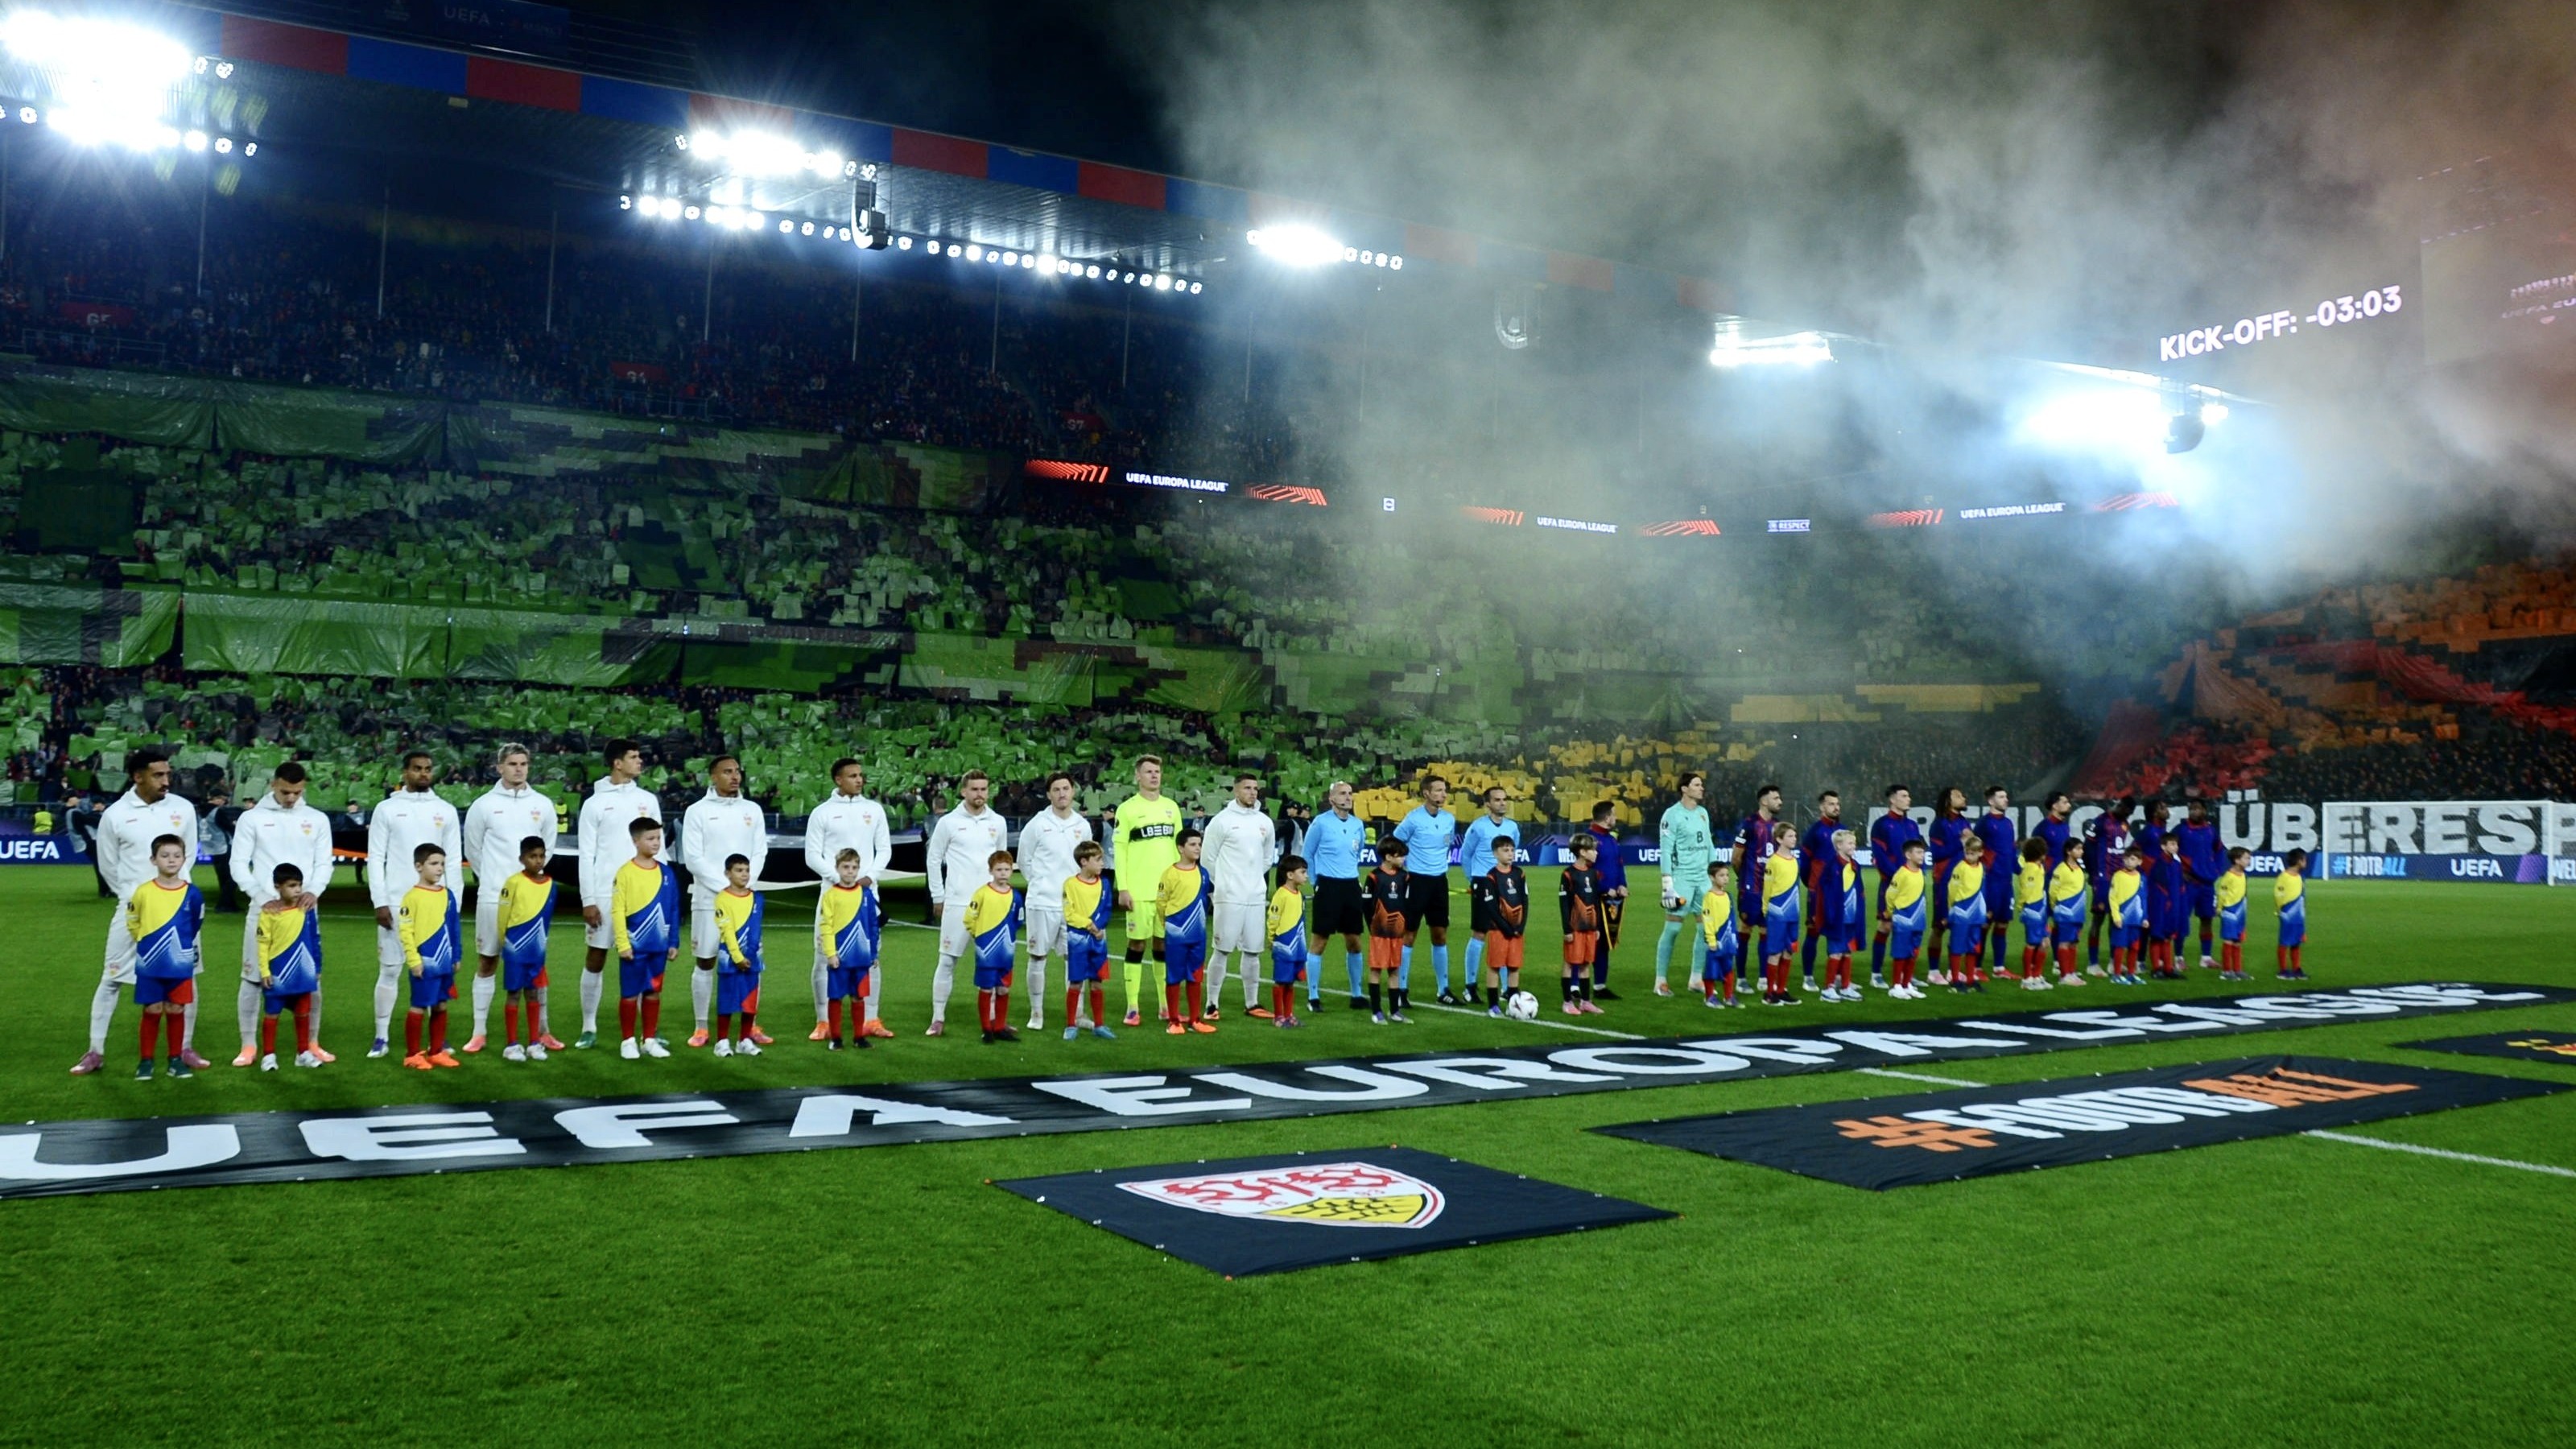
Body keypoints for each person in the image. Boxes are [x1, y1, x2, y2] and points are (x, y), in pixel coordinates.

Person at [72, 749, 199, 1076]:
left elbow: (190, 855)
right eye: (158, 775)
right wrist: (136, 897)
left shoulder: (183, 809)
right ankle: (95, 1051)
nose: (166, 781)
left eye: (168, 774)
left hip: (177, 911)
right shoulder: (115, 814)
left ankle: (183, 1048)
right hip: (133, 910)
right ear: (137, 776)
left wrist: (172, 895)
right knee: (112, 977)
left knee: (186, 978)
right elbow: (108, 866)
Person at [229, 763, 336, 1067]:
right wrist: (262, 897)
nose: (291, 797)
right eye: (285, 791)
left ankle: (311, 1043)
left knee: (312, 979)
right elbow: (238, 864)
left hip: (303, 911)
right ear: (273, 784)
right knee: (252, 978)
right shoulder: (253, 819)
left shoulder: (316, 819)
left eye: (298, 792)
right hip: (265, 911)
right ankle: (249, 1046)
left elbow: (324, 863)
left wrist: (313, 890)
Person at [463, 743, 558, 1054]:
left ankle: (541, 1032)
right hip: (493, 896)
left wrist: (529, 884)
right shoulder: (484, 805)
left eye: (524, 763)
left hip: (532, 900)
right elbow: (473, 850)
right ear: (499, 767)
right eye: (513, 764)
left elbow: (548, 848)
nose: (519, 769)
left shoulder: (542, 805)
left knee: (535, 965)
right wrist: (494, 879)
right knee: (488, 960)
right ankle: (479, 1031)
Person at [369, 750, 462, 1061]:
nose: (423, 773)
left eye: (428, 769)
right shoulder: (387, 809)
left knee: (437, 973)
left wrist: (455, 905)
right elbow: (376, 858)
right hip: (396, 902)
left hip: (437, 907)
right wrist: (380, 901)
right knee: (391, 969)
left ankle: (438, 1040)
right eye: (417, 769)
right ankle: (381, 1036)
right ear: (405, 772)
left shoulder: (445, 810)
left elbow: (454, 862)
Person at [576, 739, 661, 1051]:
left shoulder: (648, 800)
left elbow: (657, 848)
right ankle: (588, 1026)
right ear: (616, 763)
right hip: (604, 892)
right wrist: (588, 899)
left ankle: (647, 1032)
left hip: (643, 895)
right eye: (634, 757)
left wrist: (659, 893)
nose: (640, 762)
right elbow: (585, 855)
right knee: (596, 957)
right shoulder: (595, 803)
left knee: (644, 960)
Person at [681, 754, 767, 1050]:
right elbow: (693, 858)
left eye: (737, 771)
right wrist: (726, 889)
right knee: (705, 960)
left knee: (750, 961)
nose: (735, 776)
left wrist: (742, 885)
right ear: (713, 777)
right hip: (709, 898)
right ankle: (702, 1026)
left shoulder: (752, 810)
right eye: (727, 772)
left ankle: (749, 1026)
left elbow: (760, 852)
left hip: (746, 901)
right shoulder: (698, 811)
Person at [803, 758, 891, 1040]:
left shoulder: (873, 810)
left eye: (861, 775)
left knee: (870, 959)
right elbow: (812, 855)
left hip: (866, 895)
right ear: (838, 780)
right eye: (853, 776)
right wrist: (839, 878)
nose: (859, 780)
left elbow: (885, 850)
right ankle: (823, 1021)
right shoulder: (822, 813)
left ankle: (871, 1019)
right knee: (823, 957)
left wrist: (869, 877)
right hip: (833, 896)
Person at [927, 769, 1011, 1037]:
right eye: (974, 789)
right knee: (948, 960)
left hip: (992, 904)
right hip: (958, 902)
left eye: (984, 789)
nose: (980, 794)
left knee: (995, 963)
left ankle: (996, 1020)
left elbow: (1002, 860)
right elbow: (933, 859)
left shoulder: (997, 822)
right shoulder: (949, 823)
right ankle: (938, 1018)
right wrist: (938, 896)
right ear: (963, 791)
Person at [1017, 771, 1093, 1034]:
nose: (1062, 794)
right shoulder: (1037, 824)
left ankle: (1078, 1013)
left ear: (1073, 792)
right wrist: (1040, 884)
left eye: (1066, 789)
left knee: (1075, 959)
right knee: (1038, 957)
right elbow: (1024, 861)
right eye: (1056, 790)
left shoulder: (1082, 826)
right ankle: (1036, 1013)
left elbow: (1086, 863)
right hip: (1042, 902)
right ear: (1049, 794)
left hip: (1073, 905)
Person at [1110, 755, 1183, 1027]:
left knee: (1163, 945)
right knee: (1137, 944)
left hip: (1167, 893)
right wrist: (1124, 887)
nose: (1154, 776)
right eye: (1149, 772)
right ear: (1137, 777)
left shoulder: (1171, 807)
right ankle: (1132, 1006)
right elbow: (1120, 850)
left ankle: (1165, 1007)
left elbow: (1179, 848)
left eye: (1158, 771)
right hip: (1139, 890)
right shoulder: (1127, 809)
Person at [127, 833, 205, 1080]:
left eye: (176, 856)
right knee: (152, 1010)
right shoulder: (143, 892)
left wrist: (178, 948)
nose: (171, 860)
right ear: (153, 860)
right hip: (150, 964)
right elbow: (132, 920)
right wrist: (148, 942)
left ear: (184, 859)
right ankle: (146, 1061)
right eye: (165, 856)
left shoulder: (193, 893)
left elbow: (196, 922)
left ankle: (175, 1059)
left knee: (176, 1009)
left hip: (180, 963)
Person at [1203, 773, 1279, 1021]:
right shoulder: (1221, 821)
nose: (1253, 792)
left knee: (1253, 951)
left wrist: (1253, 879)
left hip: (1256, 896)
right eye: (1247, 788)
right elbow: (1207, 858)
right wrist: (1225, 883)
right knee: (1222, 949)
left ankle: (1252, 1002)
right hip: (1229, 896)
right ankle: (1212, 1004)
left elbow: (1268, 858)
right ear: (1236, 791)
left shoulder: (1265, 822)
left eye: (1256, 788)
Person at [610, 815, 680, 1059]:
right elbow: (618, 910)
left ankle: (649, 1039)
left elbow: (673, 909)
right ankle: (627, 1041)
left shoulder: (667, 873)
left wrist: (673, 942)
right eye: (650, 839)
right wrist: (622, 943)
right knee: (630, 993)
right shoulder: (625, 873)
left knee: (653, 992)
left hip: (658, 947)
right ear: (635, 841)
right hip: (634, 946)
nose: (656, 843)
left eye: (659, 838)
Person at [1390, 774, 1459, 1003]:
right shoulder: (1413, 819)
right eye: (1438, 790)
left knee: (1440, 934)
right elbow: (1396, 843)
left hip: (1439, 881)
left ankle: (1443, 989)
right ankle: (1400, 989)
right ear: (1426, 793)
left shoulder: (1449, 819)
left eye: (1444, 790)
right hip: (1416, 881)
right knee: (1409, 934)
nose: (1443, 794)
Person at [1301, 782, 1368, 1011]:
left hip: (1351, 886)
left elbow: (1357, 853)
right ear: (1331, 799)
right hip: (1328, 886)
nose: (1348, 797)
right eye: (1342, 793)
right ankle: (1313, 996)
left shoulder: (1358, 824)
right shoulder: (1320, 823)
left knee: (1355, 941)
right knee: (1320, 942)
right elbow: (1307, 854)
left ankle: (1357, 994)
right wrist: (1315, 883)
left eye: (1350, 793)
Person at [397, 843, 463, 1071]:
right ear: (418, 866)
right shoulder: (411, 897)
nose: (439, 869)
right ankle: (412, 1054)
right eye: (434, 864)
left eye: (442, 864)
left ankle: (436, 1052)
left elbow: (454, 928)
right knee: (419, 1006)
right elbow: (406, 931)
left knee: (441, 1005)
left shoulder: (448, 895)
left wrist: (457, 956)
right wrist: (413, 960)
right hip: (424, 963)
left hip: (444, 962)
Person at [252, 861, 322, 1071]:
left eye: (299, 885)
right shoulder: (270, 913)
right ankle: (269, 1056)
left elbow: (314, 938)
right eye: (292, 885)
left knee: (302, 1012)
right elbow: (263, 944)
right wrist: (264, 971)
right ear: (277, 887)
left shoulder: (306, 910)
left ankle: (303, 1053)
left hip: (304, 971)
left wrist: (317, 967)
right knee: (272, 1013)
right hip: (278, 972)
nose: (298, 890)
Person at [495, 835, 556, 1061]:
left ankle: (534, 1042)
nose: (538, 861)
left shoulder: (551, 885)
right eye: (532, 856)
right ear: (522, 858)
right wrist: (505, 943)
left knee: (533, 993)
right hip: (515, 948)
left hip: (537, 950)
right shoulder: (513, 883)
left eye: (541, 856)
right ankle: (511, 1044)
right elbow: (503, 916)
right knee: (514, 993)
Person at [1459, 786, 1522, 1002]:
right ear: (1487, 804)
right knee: (1480, 932)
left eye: (1505, 799)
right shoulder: (1478, 827)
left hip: (1505, 883)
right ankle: (1470, 986)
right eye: (1497, 800)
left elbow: (1513, 853)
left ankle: (1507, 989)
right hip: (1483, 881)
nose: (1502, 803)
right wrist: (1473, 880)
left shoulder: (1513, 827)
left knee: (1505, 932)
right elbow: (1465, 855)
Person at [1655, 772, 1715, 997]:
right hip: (1682, 878)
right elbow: (1666, 851)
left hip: (1703, 879)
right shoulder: (1672, 815)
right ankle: (1660, 980)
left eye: (1702, 785)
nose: (1702, 788)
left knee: (1705, 929)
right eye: (1697, 785)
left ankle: (1696, 978)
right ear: (1684, 789)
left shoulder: (1702, 813)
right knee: (1673, 928)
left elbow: (1709, 844)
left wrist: (1713, 874)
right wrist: (1667, 884)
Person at [817, 848, 880, 1051]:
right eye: (846, 867)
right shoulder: (831, 895)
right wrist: (831, 953)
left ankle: (859, 1037)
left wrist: (873, 953)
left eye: (854, 867)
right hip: (840, 957)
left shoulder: (866, 894)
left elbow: (872, 924)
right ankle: (835, 1038)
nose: (850, 871)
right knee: (836, 996)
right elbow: (825, 926)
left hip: (861, 958)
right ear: (837, 868)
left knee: (858, 996)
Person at [1158, 828, 1216, 1034]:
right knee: (1174, 976)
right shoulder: (1170, 874)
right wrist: (1170, 925)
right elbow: (1161, 904)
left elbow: (1206, 900)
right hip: (1176, 934)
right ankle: (1173, 1021)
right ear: (1181, 848)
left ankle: (1195, 1019)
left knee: (1196, 976)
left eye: (1199, 844)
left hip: (1198, 935)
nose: (1197, 848)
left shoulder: (1203, 873)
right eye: (1192, 844)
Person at [709, 852, 766, 1057]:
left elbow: (756, 929)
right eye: (739, 870)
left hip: (753, 959)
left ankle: (744, 1040)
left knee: (749, 1001)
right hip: (731, 959)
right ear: (728, 873)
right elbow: (727, 930)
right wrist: (738, 957)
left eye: (747, 870)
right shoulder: (722, 899)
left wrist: (750, 956)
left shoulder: (758, 899)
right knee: (727, 1000)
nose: (744, 875)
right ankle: (722, 1042)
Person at [1730, 783, 1785, 992]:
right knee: (1746, 929)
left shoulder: (1779, 826)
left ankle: (1764, 977)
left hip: (1770, 890)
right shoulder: (1750, 824)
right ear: (1764, 801)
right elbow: (1736, 857)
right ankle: (1742, 979)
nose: (1780, 802)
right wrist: (1743, 878)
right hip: (1751, 888)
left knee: (1767, 930)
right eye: (1776, 798)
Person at [1060, 840, 1116, 1040]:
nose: (1102, 863)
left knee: (1097, 983)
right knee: (1076, 982)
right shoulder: (1070, 884)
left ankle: (1099, 1025)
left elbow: (1107, 908)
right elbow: (1069, 913)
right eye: (1098, 859)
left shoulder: (1105, 884)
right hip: (1079, 939)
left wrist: (1099, 927)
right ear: (1084, 862)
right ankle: (1071, 1025)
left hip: (1098, 939)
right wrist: (1090, 926)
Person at [1468, 835, 1530, 1013]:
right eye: (1505, 850)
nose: (1510, 854)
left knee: (1514, 966)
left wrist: (1520, 926)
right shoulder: (1491, 877)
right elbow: (1491, 907)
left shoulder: (1519, 873)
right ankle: (1493, 1006)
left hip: (1517, 930)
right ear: (1495, 853)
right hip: (1498, 930)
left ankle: (1513, 1004)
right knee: (1495, 966)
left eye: (1512, 850)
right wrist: (1506, 928)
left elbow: (1525, 901)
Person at [1867, 784, 1919, 989]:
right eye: (1904, 796)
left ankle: (1907, 975)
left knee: (1910, 928)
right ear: (1892, 800)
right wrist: (1898, 877)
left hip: (1914, 887)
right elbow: (1880, 856)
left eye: (1909, 795)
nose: (1909, 799)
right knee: (1886, 926)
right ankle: (1876, 973)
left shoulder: (1913, 825)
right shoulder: (1882, 824)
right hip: (1892, 885)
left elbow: (1919, 852)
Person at [1798, 788, 1844, 993]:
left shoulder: (1843, 830)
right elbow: (1805, 862)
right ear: (1822, 807)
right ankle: (1808, 977)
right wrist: (1812, 885)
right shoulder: (1815, 831)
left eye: (1837, 804)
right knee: (1813, 932)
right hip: (1818, 892)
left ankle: (1838, 977)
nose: (1836, 807)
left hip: (1840, 891)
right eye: (1831, 804)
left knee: (1839, 932)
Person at [1363, 836, 1412, 1022]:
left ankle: (1395, 1011)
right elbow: (1366, 904)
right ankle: (1376, 1011)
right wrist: (1373, 926)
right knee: (1376, 969)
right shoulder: (1374, 876)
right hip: (1379, 932)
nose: (1403, 859)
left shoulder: (1404, 876)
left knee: (1394, 970)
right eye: (1400, 856)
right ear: (1389, 857)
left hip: (1397, 932)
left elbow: (1407, 902)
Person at [2083, 797, 2133, 974]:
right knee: (2098, 918)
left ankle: (2113, 962)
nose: (2124, 813)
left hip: (2118, 877)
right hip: (2103, 877)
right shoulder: (2101, 821)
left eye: (2127, 811)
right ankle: (2093, 963)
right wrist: (2093, 873)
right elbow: (2088, 847)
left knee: (2116, 919)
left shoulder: (2125, 824)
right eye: (2122, 808)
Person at [1559, 832, 1607, 1016]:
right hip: (1575, 928)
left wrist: (1596, 928)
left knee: (1586, 963)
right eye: (1592, 850)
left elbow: (1595, 901)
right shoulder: (1568, 874)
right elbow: (1565, 904)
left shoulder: (1594, 874)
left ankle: (1586, 1002)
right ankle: (1567, 1002)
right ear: (1582, 852)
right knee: (1570, 963)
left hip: (1589, 928)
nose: (1596, 853)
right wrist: (1567, 929)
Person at [1925, 786, 1969, 981]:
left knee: (1959, 925)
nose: (1963, 797)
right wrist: (1960, 842)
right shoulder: (1939, 825)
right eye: (1958, 796)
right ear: (1948, 801)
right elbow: (1936, 854)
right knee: (1940, 926)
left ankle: (1953, 970)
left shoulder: (1963, 822)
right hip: (1945, 880)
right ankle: (1933, 971)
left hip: (1965, 882)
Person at [1585, 800, 1629, 997]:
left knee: (1604, 943)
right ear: (1606, 817)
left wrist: (1622, 885)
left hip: (1611, 900)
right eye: (1614, 814)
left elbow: (1619, 865)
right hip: (1592, 900)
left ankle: (1600, 986)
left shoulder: (1611, 839)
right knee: (1588, 943)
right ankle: (1577, 987)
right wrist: (1604, 887)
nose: (1616, 817)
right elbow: (1585, 870)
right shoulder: (1588, 839)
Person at [1972, 786, 2017, 979]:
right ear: (1991, 801)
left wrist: (2020, 870)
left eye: (2006, 796)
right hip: (1991, 881)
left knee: (2003, 924)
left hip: (2007, 881)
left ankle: (1999, 968)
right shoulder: (1984, 823)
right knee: (1985, 923)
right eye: (2001, 796)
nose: (2006, 799)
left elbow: (2011, 851)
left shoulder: (2007, 823)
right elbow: (1975, 847)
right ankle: (1976, 968)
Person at [1818, 828, 1866, 1001]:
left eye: (1854, 842)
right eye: (1850, 843)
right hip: (1836, 918)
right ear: (1839, 845)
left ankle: (1845, 986)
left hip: (1851, 918)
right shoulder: (1832, 866)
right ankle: (1828, 988)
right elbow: (1825, 893)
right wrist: (1829, 916)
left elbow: (1859, 891)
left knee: (1847, 952)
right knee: (1836, 953)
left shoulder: (1854, 865)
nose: (1854, 846)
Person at [2176, 799, 2225, 970]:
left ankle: (2206, 957)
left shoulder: (2211, 830)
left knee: (2207, 919)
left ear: (2205, 810)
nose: (2193, 812)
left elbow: (2219, 850)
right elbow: (2168, 849)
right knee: (2182, 920)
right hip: (2188, 883)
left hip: (2207, 884)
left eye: (2197, 808)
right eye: (2191, 808)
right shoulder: (2181, 830)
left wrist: (2217, 870)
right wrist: (2179, 871)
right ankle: (2178, 957)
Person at [1758, 820, 1802, 1005]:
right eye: (1790, 836)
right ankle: (1769, 993)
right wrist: (1765, 908)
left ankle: (1782, 990)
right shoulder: (1773, 862)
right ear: (1779, 839)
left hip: (1793, 913)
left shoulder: (1795, 861)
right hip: (1777, 911)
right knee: (1775, 952)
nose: (1794, 839)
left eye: (1794, 836)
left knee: (1789, 951)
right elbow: (1767, 887)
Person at [1881, 836, 1930, 998]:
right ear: (1908, 855)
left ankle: (1906, 983)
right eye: (1918, 852)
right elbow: (1890, 894)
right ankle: (1896, 985)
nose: (1922, 855)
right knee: (1901, 952)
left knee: (1913, 951)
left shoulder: (1921, 873)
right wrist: (1891, 911)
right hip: (1903, 918)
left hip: (1918, 918)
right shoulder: (1901, 873)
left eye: (1923, 852)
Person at [1267, 853, 1311, 1027]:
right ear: (1290, 875)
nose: (1306, 875)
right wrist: (1272, 938)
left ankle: (1289, 1014)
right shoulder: (1281, 894)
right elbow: (1273, 917)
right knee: (1281, 981)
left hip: (1298, 944)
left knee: (1291, 981)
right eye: (1303, 872)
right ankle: (1278, 1016)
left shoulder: (1299, 894)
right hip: (1284, 943)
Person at [1943, 830, 1989, 993]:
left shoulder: (1982, 868)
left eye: (1972, 854)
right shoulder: (1960, 868)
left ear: (1981, 853)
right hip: (1961, 912)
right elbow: (1952, 890)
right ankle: (1955, 980)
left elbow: (1982, 891)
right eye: (1967, 853)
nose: (1969, 856)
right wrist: (1951, 911)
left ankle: (1970, 979)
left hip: (1976, 914)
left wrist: (1984, 912)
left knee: (1974, 947)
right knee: (1957, 946)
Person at [2047, 841, 2090, 987]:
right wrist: (2056, 908)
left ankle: (2071, 972)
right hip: (2065, 911)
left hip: (2078, 912)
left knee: (2073, 942)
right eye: (2078, 849)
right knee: (2064, 942)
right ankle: (2064, 975)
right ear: (2068, 851)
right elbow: (2053, 891)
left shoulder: (2079, 869)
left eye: (2081, 848)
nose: (2081, 851)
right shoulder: (2061, 869)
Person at [1699, 859, 1740, 1008]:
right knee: (1712, 969)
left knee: (1728, 968)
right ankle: (1709, 997)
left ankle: (1729, 996)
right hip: (1715, 941)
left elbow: (1732, 918)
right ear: (1712, 877)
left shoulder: (1728, 896)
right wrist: (1711, 940)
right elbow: (1708, 920)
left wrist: (1735, 937)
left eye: (1727, 875)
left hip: (1728, 940)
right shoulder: (1709, 898)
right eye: (1721, 875)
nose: (1725, 878)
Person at [2013, 837, 2053, 990]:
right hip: (2033, 909)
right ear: (2040, 853)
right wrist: (2023, 907)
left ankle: (2037, 975)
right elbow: (2027, 890)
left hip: (2041, 908)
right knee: (2032, 943)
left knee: (2045, 942)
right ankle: (2027, 978)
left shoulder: (2039, 867)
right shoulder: (2030, 868)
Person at [2148, 831, 2186, 979]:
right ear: (2163, 846)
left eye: (2176, 844)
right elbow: (2158, 886)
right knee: (2158, 935)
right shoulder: (2159, 863)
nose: (2175, 847)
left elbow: (2179, 885)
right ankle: (2157, 968)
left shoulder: (2176, 864)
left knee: (2168, 935)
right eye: (2171, 844)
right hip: (2161, 905)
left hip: (2173, 904)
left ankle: (2168, 968)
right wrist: (2166, 901)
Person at [2107, 844, 2148, 985]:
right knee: (2120, 946)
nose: (2128, 862)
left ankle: (2131, 973)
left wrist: (2145, 917)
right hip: (2123, 918)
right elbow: (2112, 897)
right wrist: (2116, 917)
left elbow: (2143, 899)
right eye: (2126, 859)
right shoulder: (2118, 876)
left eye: (2132, 859)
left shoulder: (2142, 878)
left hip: (2136, 919)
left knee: (2134, 947)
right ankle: (2117, 974)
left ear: (2139, 862)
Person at [2215, 846, 2252, 981]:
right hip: (2230, 911)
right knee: (2229, 940)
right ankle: (2226, 971)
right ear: (2237, 860)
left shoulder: (2243, 875)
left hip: (2241, 911)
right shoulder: (2229, 876)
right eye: (2246, 858)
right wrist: (2219, 907)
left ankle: (2237, 969)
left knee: (2238, 940)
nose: (2249, 861)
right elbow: (2222, 892)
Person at [200, 789, 239, 913]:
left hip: (210, 847)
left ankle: (230, 904)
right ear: (215, 798)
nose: (224, 802)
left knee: (223, 878)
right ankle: (223, 904)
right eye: (222, 799)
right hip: (224, 846)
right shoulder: (217, 812)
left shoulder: (200, 812)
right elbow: (228, 827)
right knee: (233, 877)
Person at [2274, 848, 2309, 980]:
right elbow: (2278, 894)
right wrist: (2281, 911)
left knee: (2296, 941)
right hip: (2288, 914)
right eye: (2304, 859)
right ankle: (2282, 970)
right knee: (2284, 941)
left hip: (2299, 915)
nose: (2306, 862)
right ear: (2299, 861)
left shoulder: (2300, 877)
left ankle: (2296, 969)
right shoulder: (2284, 876)